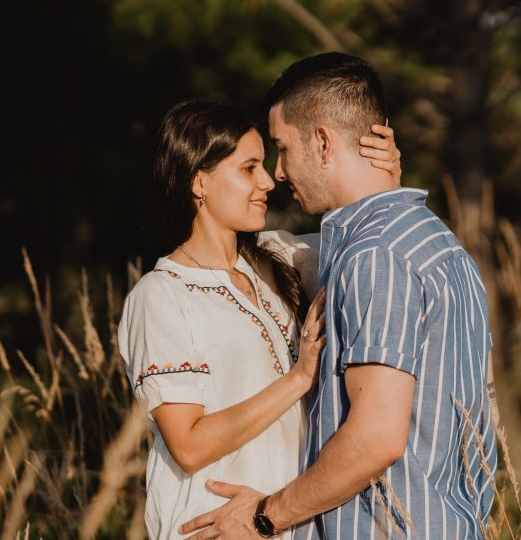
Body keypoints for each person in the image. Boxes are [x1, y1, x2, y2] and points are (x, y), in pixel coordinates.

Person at [179, 53, 497, 539]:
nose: (279, 173)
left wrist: (266, 516)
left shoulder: (376, 256)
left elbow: (376, 437)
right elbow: (482, 418)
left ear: (324, 141)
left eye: (282, 148)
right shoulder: (438, 244)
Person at [117, 99, 402, 539]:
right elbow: (188, 445)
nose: (268, 181)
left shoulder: (282, 256)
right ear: (200, 182)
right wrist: (299, 377)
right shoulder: (160, 296)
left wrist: (385, 183)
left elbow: (373, 248)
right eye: (249, 168)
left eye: (265, 166)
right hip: (213, 524)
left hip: (282, 521)